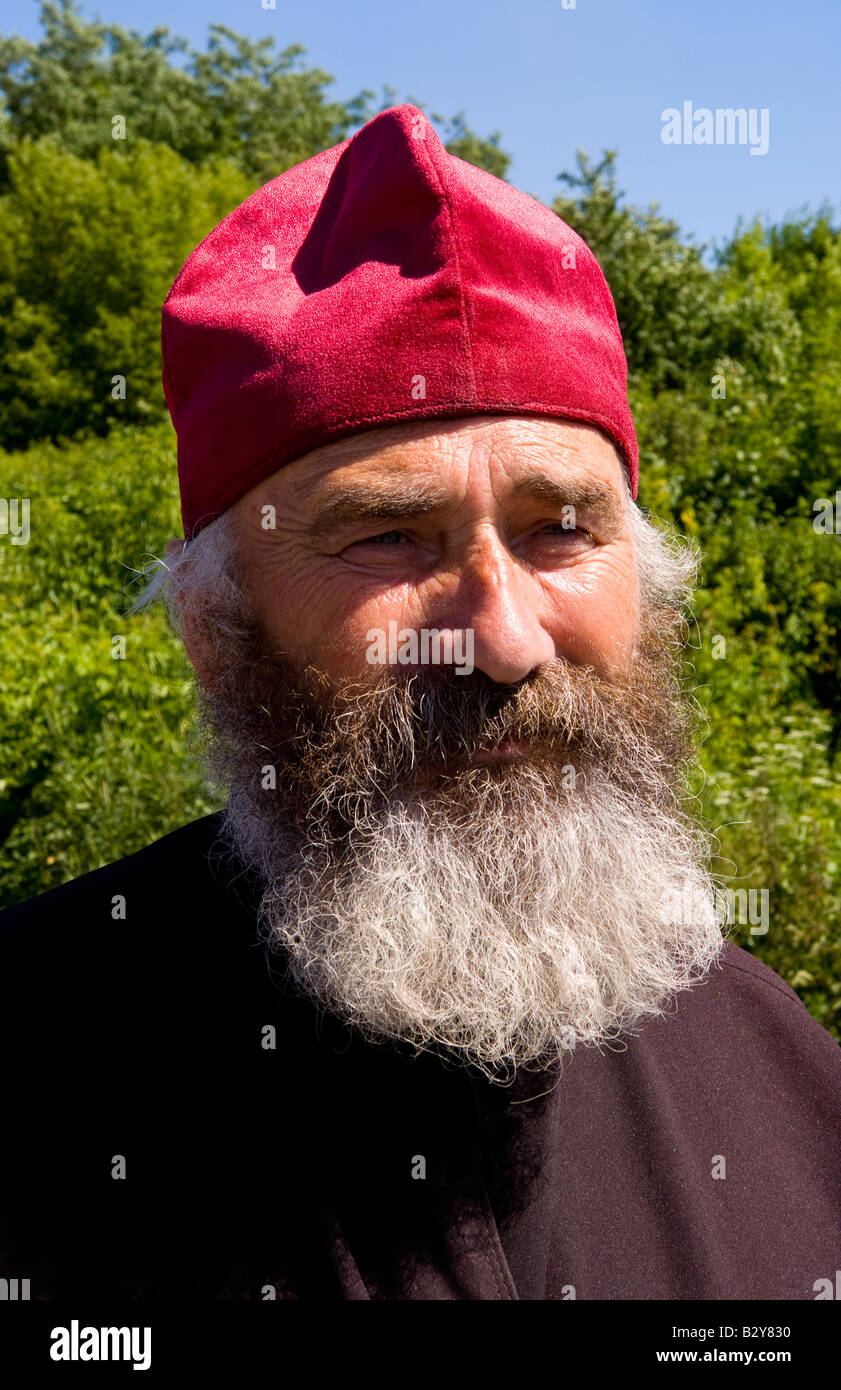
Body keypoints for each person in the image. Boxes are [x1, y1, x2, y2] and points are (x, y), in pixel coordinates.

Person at [1, 105, 839, 1302]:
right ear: (216, 631)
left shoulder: (783, 1081)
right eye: (388, 538)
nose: (502, 641)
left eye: (562, 530)